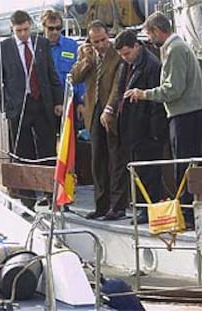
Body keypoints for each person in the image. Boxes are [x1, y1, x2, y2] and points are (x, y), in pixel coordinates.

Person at [124, 12, 202, 228]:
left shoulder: (175, 50)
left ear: (157, 31)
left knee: (184, 164)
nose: (149, 40)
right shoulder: (175, 48)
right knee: (186, 163)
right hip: (186, 112)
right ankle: (188, 211)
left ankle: (188, 215)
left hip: (184, 114)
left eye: (149, 35)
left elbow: (173, 89)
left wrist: (144, 94)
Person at [0, 10, 63, 210]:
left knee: (48, 151)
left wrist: (58, 101)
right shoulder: (2, 49)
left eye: (25, 29)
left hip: (43, 105)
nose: (23, 34)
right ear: (12, 29)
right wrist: (7, 109)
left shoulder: (42, 44)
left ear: (31, 26)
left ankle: (52, 196)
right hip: (19, 109)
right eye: (19, 31)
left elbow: (52, 75)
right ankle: (27, 201)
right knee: (23, 152)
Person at [71, 20, 128, 221]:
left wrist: (110, 109)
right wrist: (86, 60)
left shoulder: (117, 55)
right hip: (93, 110)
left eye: (103, 40)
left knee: (115, 159)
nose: (100, 45)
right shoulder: (88, 54)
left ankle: (118, 205)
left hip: (111, 112)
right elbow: (74, 78)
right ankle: (101, 205)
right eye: (96, 42)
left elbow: (117, 87)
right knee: (97, 160)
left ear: (108, 35)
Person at [114, 30, 168, 224]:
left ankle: (149, 209)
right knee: (139, 170)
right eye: (122, 55)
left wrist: (155, 132)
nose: (125, 58)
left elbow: (156, 102)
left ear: (137, 46)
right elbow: (121, 91)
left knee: (149, 171)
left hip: (146, 127)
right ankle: (143, 207)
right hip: (132, 126)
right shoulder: (128, 64)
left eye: (127, 53)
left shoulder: (151, 65)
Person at [41, 10, 85, 122]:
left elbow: (80, 75)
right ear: (43, 27)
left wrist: (81, 102)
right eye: (51, 28)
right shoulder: (37, 47)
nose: (55, 32)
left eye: (58, 28)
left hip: (70, 101)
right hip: (46, 104)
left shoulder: (71, 46)